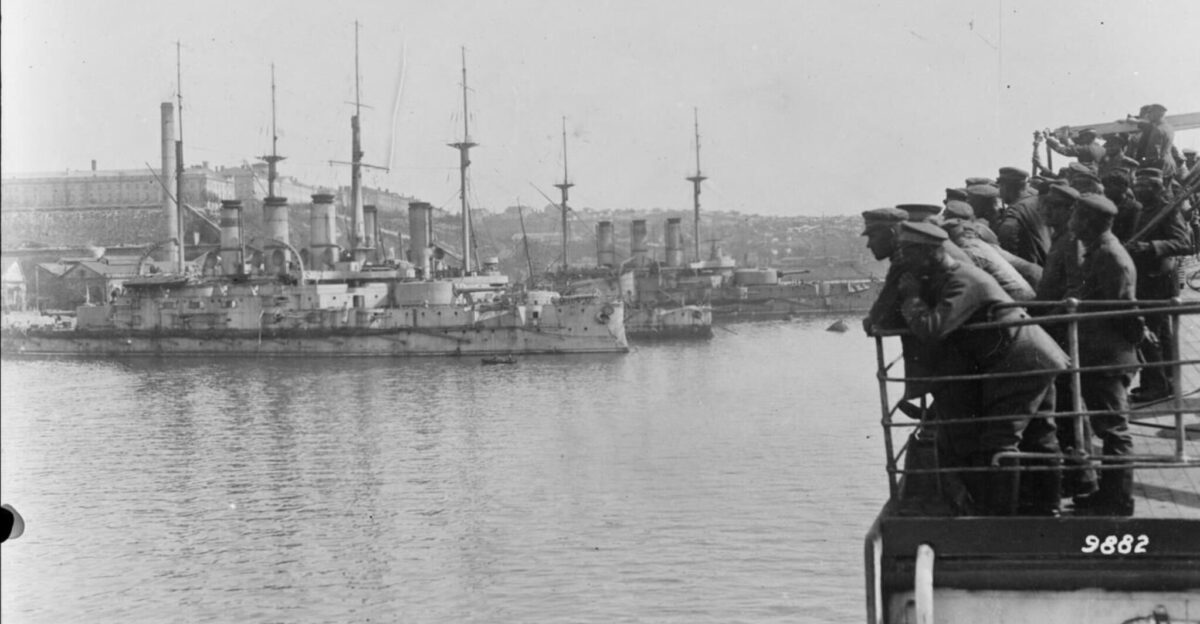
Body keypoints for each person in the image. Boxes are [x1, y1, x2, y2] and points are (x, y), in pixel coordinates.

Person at [895, 221, 1068, 516]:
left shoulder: (963, 281)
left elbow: (933, 328)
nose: (904, 263)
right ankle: (1046, 506)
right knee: (1040, 434)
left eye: (908, 255)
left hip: (1021, 361)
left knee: (1001, 438)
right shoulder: (955, 276)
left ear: (929, 253)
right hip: (1034, 355)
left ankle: (997, 518)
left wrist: (912, 298)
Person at [1059, 193, 1142, 516]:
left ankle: (1119, 500)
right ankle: (1108, 495)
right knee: (1108, 427)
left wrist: (1130, 348)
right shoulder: (1098, 251)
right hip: (1101, 354)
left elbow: (1125, 310)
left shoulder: (1109, 255)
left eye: (1075, 215)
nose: (1070, 221)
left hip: (1108, 357)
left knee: (1114, 430)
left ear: (1088, 222)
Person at [1126, 168, 1193, 403]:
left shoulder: (1167, 211)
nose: (1139, 189)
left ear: (1156, 188)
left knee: (1151, 333)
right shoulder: (1143, 210)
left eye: (1145, 186)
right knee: (1161, 334)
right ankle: (1166, 381)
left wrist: (1151, 247)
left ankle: (1156, 385)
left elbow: (1184, 243)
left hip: (1159, 280)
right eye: (1138, 185)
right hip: (1148, 278)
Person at [996, 167, 1052, 266]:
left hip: (1033, 270)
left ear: (1005, 187)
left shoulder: (1014, 212)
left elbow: (1007, 243)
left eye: (1000, 187)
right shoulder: (1040, 202)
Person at [1130, 104, 1177, 176]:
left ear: (1156, 114)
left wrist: (1141, 164)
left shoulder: (1157, 130)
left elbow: (1154, 154)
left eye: (1150, 113)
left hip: (1159, 165)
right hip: (1169, 164)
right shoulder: (1169, 127)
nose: (1148, 116)